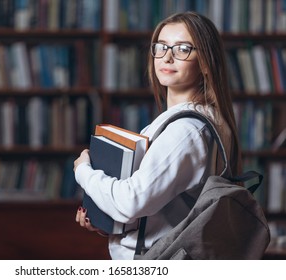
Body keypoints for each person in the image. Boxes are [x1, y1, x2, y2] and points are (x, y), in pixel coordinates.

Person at [73, 11, 241, 260]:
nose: (167, 57)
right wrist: (110, 223)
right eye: (161, 47)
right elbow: (169, 209)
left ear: (205, 62)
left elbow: (132, 201)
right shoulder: (203, 120)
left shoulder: (186, 131)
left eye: (183, 48)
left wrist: (83, 171)